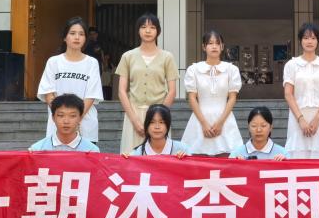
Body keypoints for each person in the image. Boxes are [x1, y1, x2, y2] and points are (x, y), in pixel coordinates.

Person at [15, 93, 100, 218]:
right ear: (53, 118)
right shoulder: (37, 148)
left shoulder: (92, 150)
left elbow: (96, 184)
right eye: (60, 115)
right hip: (47, 200)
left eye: (72, 116)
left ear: (80, 118)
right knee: (30, 204)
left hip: (75, 202)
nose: (66, 121)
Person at [125, 104, 190, 218]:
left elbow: (192, 174)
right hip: (150, 202)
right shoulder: (138, 152)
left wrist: (185, 160)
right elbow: (127, 174)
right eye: (152, 122)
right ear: (146, 125)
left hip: (175, 201)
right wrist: (123, 161)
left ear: (168, 125)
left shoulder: (181, 148)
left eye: (161, 122)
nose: (157, 126)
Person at [229, 106, 289, 218]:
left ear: (271, 127)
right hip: (248, 202)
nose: (259, 130)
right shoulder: (237, 152)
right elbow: (227, 179)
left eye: (263, 125)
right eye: (254, 125)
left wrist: (285, 164)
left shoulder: (282, 152)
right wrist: (235, 165)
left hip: (274, 201)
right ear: (248, 127)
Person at [116, 12, 178, 154]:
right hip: (134, 113)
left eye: (152, 27)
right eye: (143, 27)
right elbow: (121, 90)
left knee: (159, 157)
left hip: (159, 115)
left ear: (158, 31)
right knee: (131, 157)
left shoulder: (167, 57)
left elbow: (172, 90)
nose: (148, 31)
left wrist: (160, 115)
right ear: (138, 30)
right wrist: (134, 120)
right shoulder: (128, 56)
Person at [37, 16, 103, 145]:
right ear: (65, 37)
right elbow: (49, 94)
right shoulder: (53, 62)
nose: (77, 37)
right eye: (72, 33)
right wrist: (62, 117)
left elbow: (91, 95)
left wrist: (76, 119)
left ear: (85, 38)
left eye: (81, 34)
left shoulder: (92, 63)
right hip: (57, 127)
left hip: (85, 126)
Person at [180, 29, 242, 155]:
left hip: (225, 119)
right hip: (199, 119)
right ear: (204, 47)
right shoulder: (194, 69)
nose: (214, 46)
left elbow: (232, 97)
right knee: (196, 157)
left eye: (217, 43)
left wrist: (220, 123)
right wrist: (203, 123)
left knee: (228, 156)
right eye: (210, 43)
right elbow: (192, 97)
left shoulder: (231, 69)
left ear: (222, 46)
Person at [283, 22, 319, 159]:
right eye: (306, 38)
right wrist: (300, 120)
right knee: (297, 155)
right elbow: (288, 94)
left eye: (313, 38)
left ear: (318, 41)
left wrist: (317, 119)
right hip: (297, 115)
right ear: (300, 41)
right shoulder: (292, 65)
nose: (309, 41)